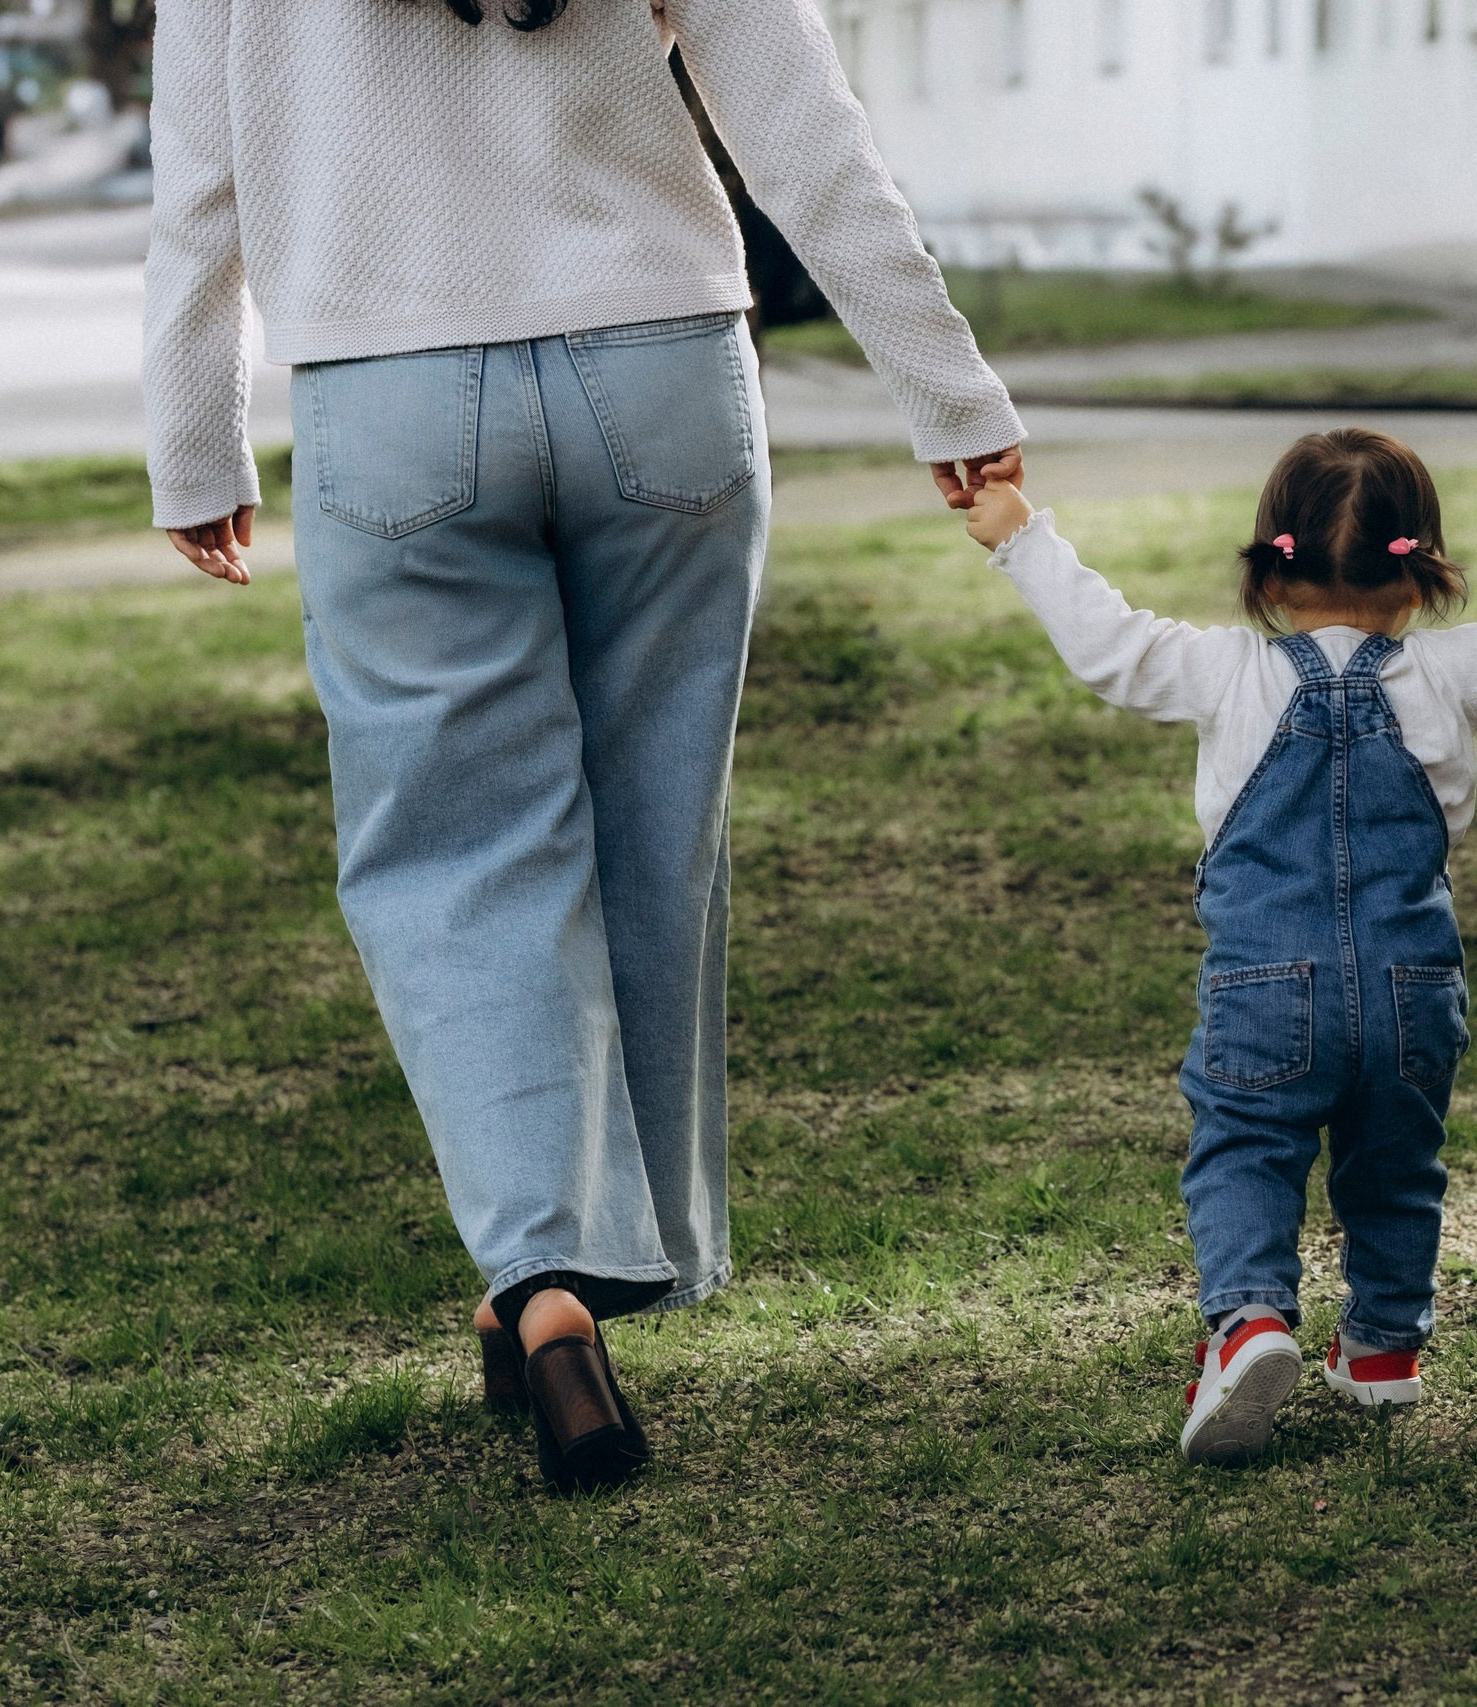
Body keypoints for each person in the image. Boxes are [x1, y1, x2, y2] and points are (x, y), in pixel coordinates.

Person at [143, 0, 1022, 1491]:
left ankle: (545, 1280)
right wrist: (946, 387)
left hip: (387, 388)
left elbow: (200, 181)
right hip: (665, 367)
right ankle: (585, 1271)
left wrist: (192, 435)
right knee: (652, 834)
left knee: (453, 854)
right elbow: (802, 127)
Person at [963, 426, 1477, 1464]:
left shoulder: (1225, 672)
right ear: (1423, 572)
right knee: (1397, 1164)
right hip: (1411, 989)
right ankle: (1383, 1347)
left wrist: (1020, 536)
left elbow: (1107, 644)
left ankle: (1249, 1321)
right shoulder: (1446, 676)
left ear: (1267, 570)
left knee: (1246, 1149)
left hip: (1265, 988)